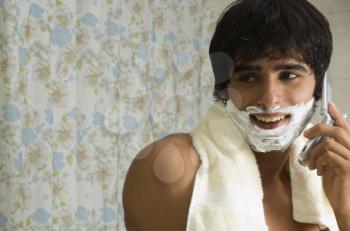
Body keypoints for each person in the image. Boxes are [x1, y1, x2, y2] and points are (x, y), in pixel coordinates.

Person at [122, 0, 350, 230]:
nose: (269, 100)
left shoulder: (333, 177)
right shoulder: (171, 168)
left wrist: (346, 212)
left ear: (321, 86)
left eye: (288, 75)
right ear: (224, 88)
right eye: (248, 78)